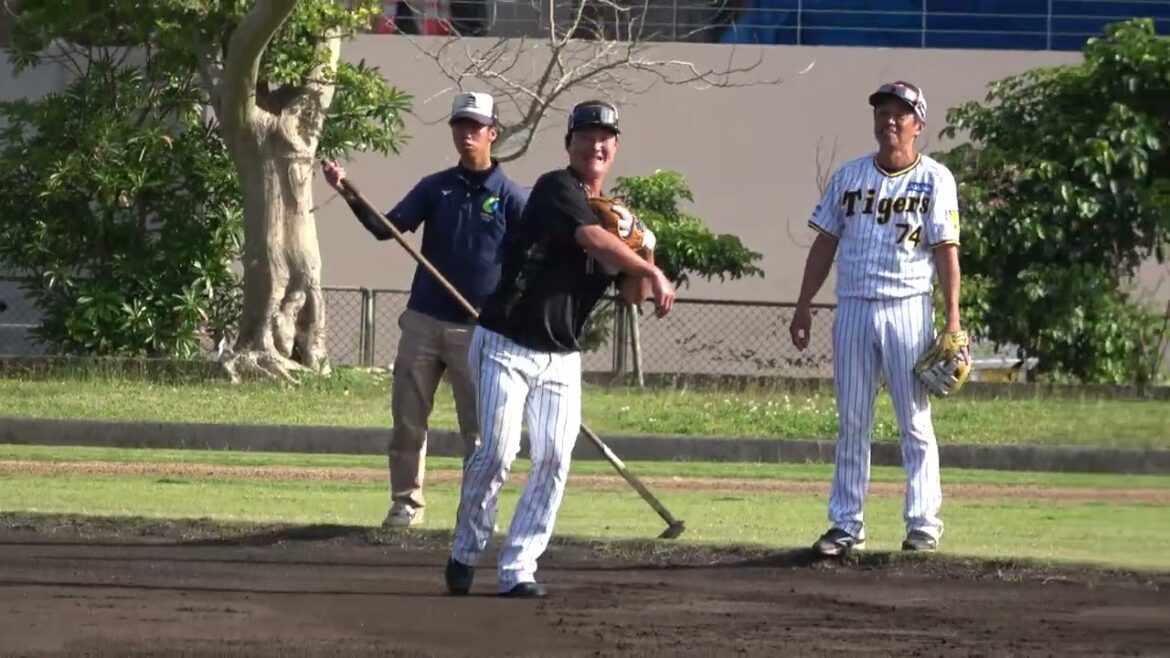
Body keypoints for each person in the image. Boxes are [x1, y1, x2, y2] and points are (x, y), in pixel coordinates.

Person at [443, 100, 677, 598]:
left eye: (606, 137)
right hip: (505, 341)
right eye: (587, 135)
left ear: (615, 148)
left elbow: (632, 296)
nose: (597, 144)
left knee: (553, 457)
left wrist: (646, 249)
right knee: (499, 454)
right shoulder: (557, 189)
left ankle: (518, 568)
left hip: (560, 356)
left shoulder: (619, 222)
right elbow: (590, 239)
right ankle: (466, 546)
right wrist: (649, 267)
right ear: (570, 143)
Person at [323, 91, 529, 529]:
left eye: (475, 126)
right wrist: (348, 193)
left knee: (478, 431)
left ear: (493, 133)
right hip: (423, 321)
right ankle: (406, 503)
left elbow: (532, 258)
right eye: (460, 125)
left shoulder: (511, 197)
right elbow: (387, 228)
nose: (467, 133)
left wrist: (508, 309)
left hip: (478, 329)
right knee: (408, 419)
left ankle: (476, 508)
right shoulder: (436, 188)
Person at [788, 80, 965, 556]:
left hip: (908, 306)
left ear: (918, 124)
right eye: (883, 112)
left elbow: (947, 251)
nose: (890, 119)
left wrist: (952, 319)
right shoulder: (848, 177)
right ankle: (846, 524)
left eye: (900, 113)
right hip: (853, 307)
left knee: (913, 422)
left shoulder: (935, 178)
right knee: (853, 422)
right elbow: (824, 242)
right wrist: (804, 303)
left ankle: (924, 523)